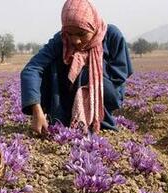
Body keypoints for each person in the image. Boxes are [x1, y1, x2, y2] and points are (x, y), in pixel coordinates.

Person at [20, 0, 133, 135]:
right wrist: (36, 109)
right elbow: (32, 69)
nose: (75, 40)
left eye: (81, 33)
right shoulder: (61, 39)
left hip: (105, 93)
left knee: (83, 69)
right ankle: (60, 116)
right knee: (51, 64)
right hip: (67, 95)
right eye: (70, 33)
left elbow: (120, 75)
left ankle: (98, 121)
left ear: (93, 26)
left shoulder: (112, 35)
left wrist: (86, 66)